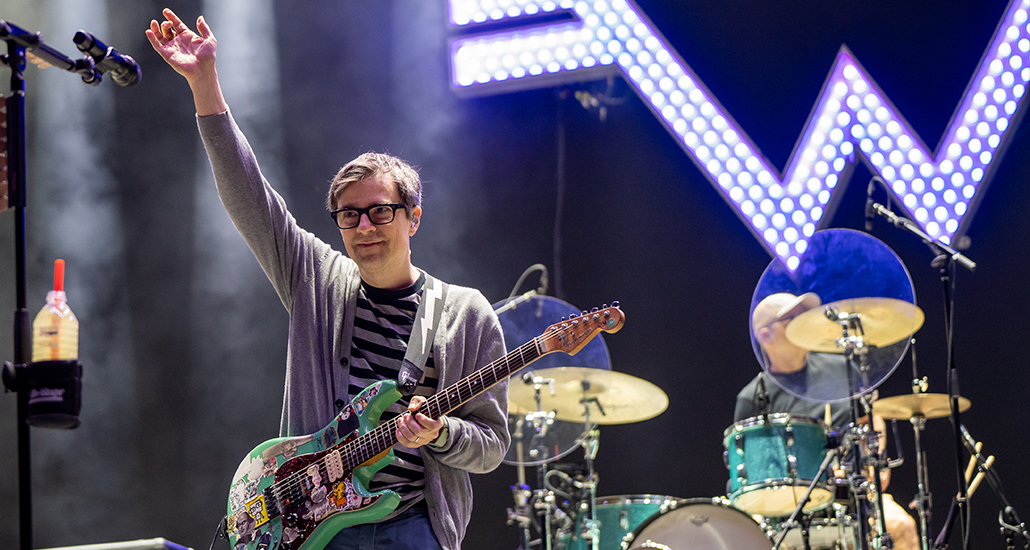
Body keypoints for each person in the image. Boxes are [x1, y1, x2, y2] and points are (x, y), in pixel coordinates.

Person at [146, 9, 509, 550]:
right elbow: (250, 196)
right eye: (349, 215)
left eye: (380, 212)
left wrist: (441, 433)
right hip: (311, 528)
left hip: (410, 524)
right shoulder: (317, 278)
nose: (364, 226)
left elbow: (491, 445)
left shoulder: (466, 312)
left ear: (413, 216)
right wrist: (205, 83)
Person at [734, 292, 920, 550]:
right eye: (791, 319)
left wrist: (877, 463)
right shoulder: (752, 396)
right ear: (766, 336)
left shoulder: (843, 368)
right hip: (786, 510)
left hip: (853, 497)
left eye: (803, 317)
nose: (803, 323)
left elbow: (871, 417)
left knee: (902, 527)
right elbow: (751, 474)